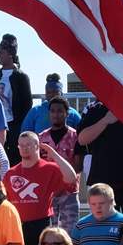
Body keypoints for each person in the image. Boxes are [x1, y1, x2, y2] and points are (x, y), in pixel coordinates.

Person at [4, 132, 77, 245]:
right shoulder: (11, 173)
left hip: (41, 224)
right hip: (19, 227)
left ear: (37, 146)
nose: (24, 149)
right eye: (21, 146)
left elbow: (71, 178)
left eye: (29, 145)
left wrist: (54, 154)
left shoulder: (50, 168)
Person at [75, 100, 123, 220]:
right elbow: (82, 139)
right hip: (103, 179)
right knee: (105, 222)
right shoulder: (96, 110)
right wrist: (105, 121)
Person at [38, 97, 81, 232]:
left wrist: (64, 183)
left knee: (70, 234)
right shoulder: (41, 138)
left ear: (67, 113)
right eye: (53, 111)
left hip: (69, 193)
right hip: (48, 194)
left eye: (60, 111)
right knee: (50, 233)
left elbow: (79, 165)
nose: (56, 114)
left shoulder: (75, 137)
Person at [0, 33, 31, 163]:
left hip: (15, 125)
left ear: (10, 54)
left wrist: (20, 125)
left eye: (1, 52)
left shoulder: (21, 77)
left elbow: (27, 103)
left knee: (14, 156)